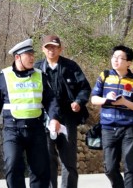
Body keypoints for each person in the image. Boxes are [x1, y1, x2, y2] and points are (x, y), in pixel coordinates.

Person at [0, 38, 57, 188]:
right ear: (17, 57)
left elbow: (51, 100)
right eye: (28, 55)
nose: (32, 58)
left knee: (40, 170)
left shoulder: (40, 75)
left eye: (33, 54)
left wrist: (54, 118)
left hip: (36, 129)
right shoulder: (2, 77)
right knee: (12, 166)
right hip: (12, 130)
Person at [33, 35, 91, 188]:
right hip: (44, 118)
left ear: (60, 48)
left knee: (68, 160)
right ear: (43, 50)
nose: (51, 50)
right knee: (47, 158)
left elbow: (84, 88)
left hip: (67, 117)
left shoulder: (71, 66)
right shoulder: (36, 68)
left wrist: (79, 102)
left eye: (54, 47)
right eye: (48, 47)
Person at [90, 45, 133, 188]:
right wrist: (106, 99)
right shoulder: (104, 76)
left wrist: (124, 102)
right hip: (108, 128)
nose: (115, 60)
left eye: (120, 58)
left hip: (128, 127)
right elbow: (93, 99)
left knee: (130, 167)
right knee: (109, 168)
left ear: (128, 62)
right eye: (114, 57)